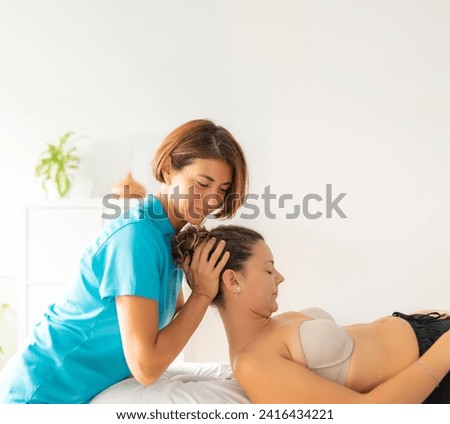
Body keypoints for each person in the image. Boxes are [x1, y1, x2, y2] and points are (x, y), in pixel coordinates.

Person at [0, 119, 248, 404]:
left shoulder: (167, 236)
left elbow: (171, 320)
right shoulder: (137, 237)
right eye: (202, 184)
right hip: (39, 396)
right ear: (168, 169)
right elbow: (147, 367)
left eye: (222, 189)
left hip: (78, 394)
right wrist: (202, 294)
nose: (212, 199)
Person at [172, 224, 450, 404]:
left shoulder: (271, 326)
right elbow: (364, 413)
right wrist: (442, 353)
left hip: (432, 333)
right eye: (268, 269)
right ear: (234, 281)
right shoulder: (252, 364)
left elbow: (357, 344)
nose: (280, 277)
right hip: (438, 369)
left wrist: (420, 320)